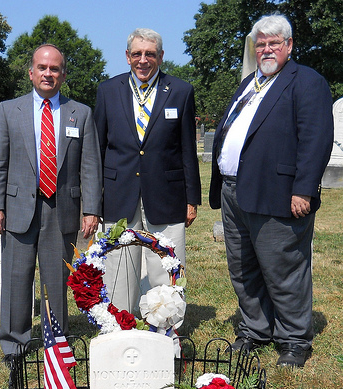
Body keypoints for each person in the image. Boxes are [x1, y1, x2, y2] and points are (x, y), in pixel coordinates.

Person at [209, 14, 333, 367]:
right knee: (243, 268)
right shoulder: (251, 82)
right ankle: (254, 329)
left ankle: (294, 339)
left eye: (273, 43)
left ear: (288, 46)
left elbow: (316, 139)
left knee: (284, 269)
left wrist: (304, 189)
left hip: (278, 193)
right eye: (260, 43)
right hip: (234, 192)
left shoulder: (306, 82)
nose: (265, 49)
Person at [0, 44, 103, 363]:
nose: (48, 73)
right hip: (17, 208)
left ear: (63, 73)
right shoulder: (10, 110)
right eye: (42, 67)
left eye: (54, 68)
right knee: (16, 278)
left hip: (61, 209)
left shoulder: (81, 113)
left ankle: (55, 340)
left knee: (55, 279)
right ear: (31, 72)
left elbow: (90, 166)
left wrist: (91, 209)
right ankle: (14, 343)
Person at [94, 28, 201, 313]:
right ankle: (120, 330)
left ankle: (167, 336)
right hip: (119, 195)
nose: (144, 60)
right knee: (119, 272)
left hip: (167, 196)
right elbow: (98, 149)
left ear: (161, 57)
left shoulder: (180, 91)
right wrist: (93, 200)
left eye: (150, 54)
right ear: (127, 57)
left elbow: (187, 148)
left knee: (164, 270)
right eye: (137, 54)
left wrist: (192, 199)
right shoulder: (108, 90)